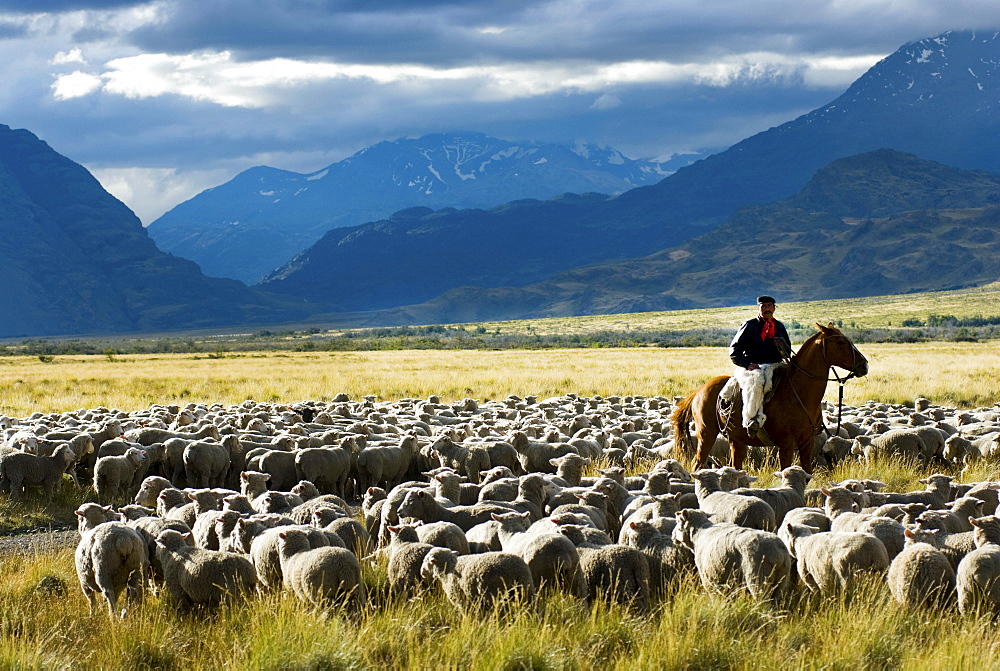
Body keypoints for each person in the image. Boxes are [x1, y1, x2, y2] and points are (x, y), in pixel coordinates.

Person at [729, 295, 790, 433]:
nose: (767, 309)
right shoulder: (749, 325)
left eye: (769, 306)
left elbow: (787, 350)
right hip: (753, 367)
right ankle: (751, 420)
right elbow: (734, 350)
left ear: (774, 308)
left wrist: (782, 349)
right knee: (756, 383)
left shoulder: (779, 327)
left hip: (775, 365)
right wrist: (747, 364)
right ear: (758, 309)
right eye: (763, 306)